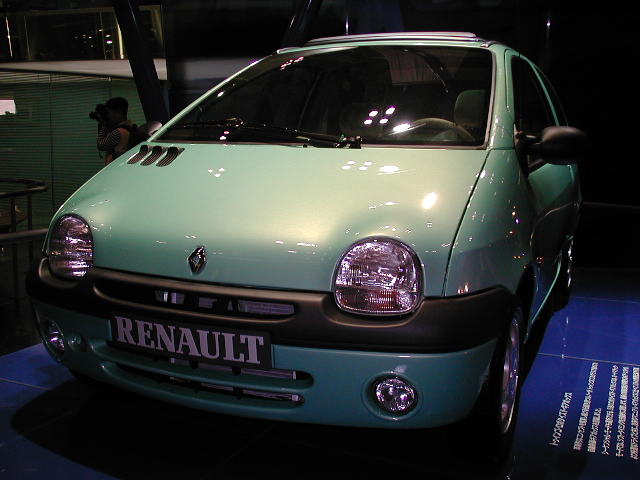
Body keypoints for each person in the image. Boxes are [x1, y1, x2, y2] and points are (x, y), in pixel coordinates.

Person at [95, 97, 134, 165]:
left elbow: (100, 145)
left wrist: (104, 124)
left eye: (108, 113)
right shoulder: (129, 128)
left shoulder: (118, 132)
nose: (108, 116)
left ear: (118, 112)